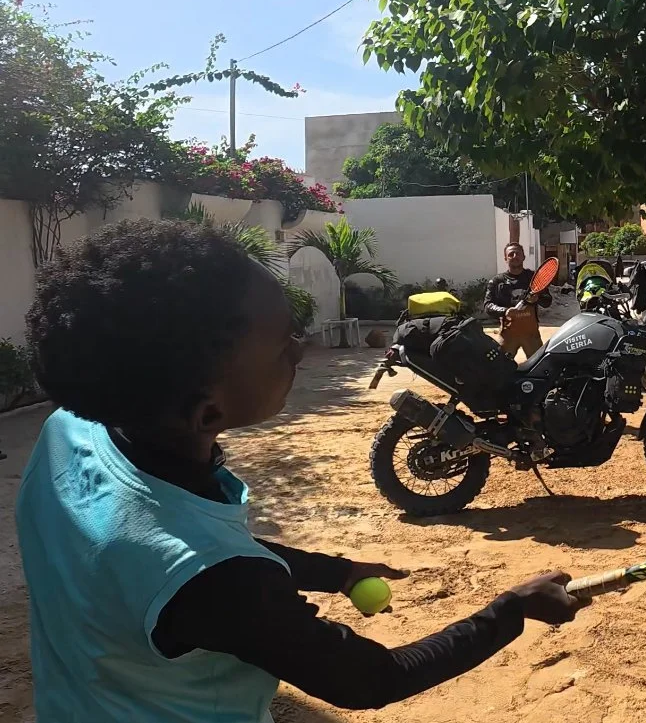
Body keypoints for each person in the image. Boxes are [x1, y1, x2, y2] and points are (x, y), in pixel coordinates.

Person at [15, 219, 586, 722]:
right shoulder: (219, 582)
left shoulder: (70, 431)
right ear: (207, 411)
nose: (300, 353)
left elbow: (183, 545)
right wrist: (511, 609)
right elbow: (370, 678)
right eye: (282, 345)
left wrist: (333, 570)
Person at [484, 242, 552, 359]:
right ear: (505, 258)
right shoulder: (497, 281)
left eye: (518, 253)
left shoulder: (534, 278)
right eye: (511, 254)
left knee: (539, 367)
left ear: (523, 257)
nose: (515, 256)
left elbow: (547, 301)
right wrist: (505, 311)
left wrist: (538, 297)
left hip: (531, 336)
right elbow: (487, 306)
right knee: (500, 369)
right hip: (507, 335)